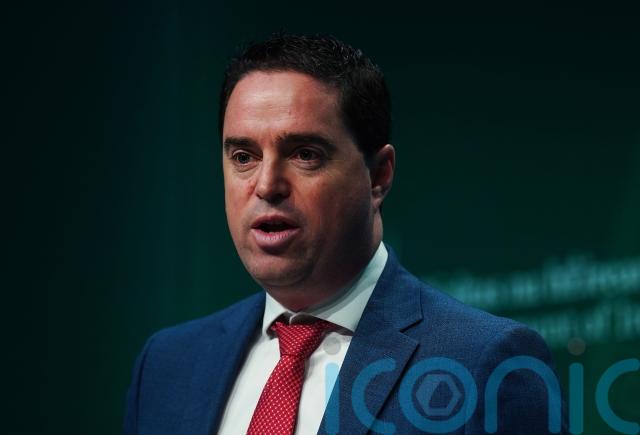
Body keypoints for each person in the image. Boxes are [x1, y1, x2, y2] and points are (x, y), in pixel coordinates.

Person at [124, 33, 567, 434]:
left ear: (379, 176)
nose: (266, 185)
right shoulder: (167, 365)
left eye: (305, 154)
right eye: (243, 156)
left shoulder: (486, 363)